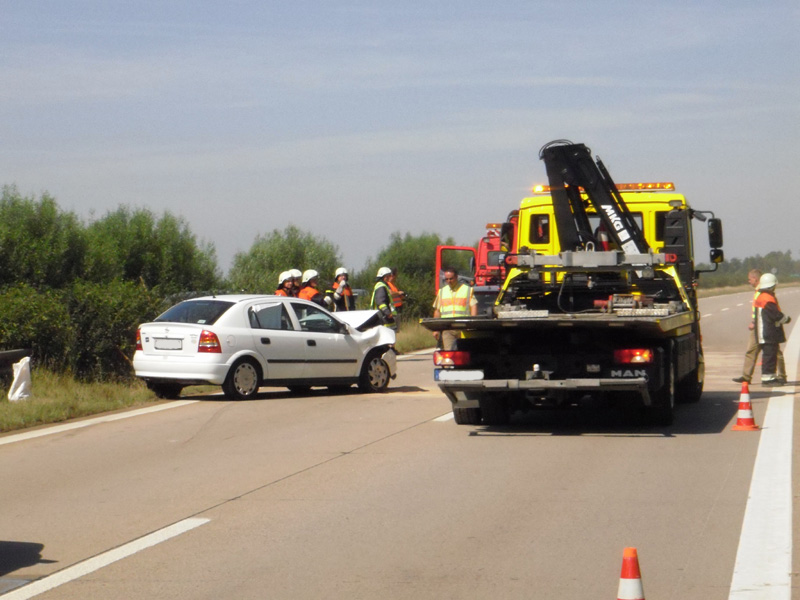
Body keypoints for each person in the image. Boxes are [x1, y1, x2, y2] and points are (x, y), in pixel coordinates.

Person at [733, 269, 787, 385]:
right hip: (758, 325)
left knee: (774, 351)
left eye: (750, 279)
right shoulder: (761, 292)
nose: (749, 281)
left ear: (756, 279)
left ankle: (781, 375)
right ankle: (746, 376)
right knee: (752, 350)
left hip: (764, 326)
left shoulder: (763, 293)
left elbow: (769, 311)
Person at [752, 273, 791, 385]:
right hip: (768, 332)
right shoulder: (767, 298)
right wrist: (786, 319)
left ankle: (771, 377)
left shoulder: (762, 296)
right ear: (772, 286)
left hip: (765, 331)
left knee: (770, 355)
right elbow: (776, 315)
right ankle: (767, 379)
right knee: (769, 356)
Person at [432, 266, 478, 350]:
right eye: (446, 279)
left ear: (456, 277)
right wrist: (436, 329)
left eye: (451, 279)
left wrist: (472, 324)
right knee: (449, 353)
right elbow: (437, 311)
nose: (449, 281)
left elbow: (473, 306)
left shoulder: (467, 290)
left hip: (464, 327)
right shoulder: (442, 291)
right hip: (447, 328)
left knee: (464, 352)